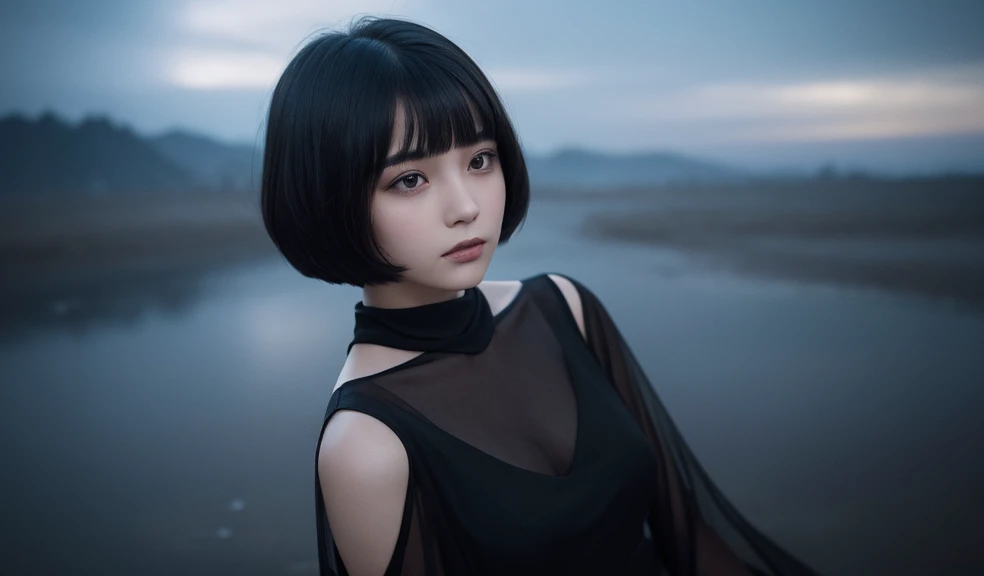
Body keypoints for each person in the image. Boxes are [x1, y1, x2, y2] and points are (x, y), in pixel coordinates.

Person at [260, 16, 823, 576]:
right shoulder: (366, 444)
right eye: (410, 179)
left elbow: (689, 537)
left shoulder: (563, 308)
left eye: (480, 160)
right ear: (329, 199)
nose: (467, 207)